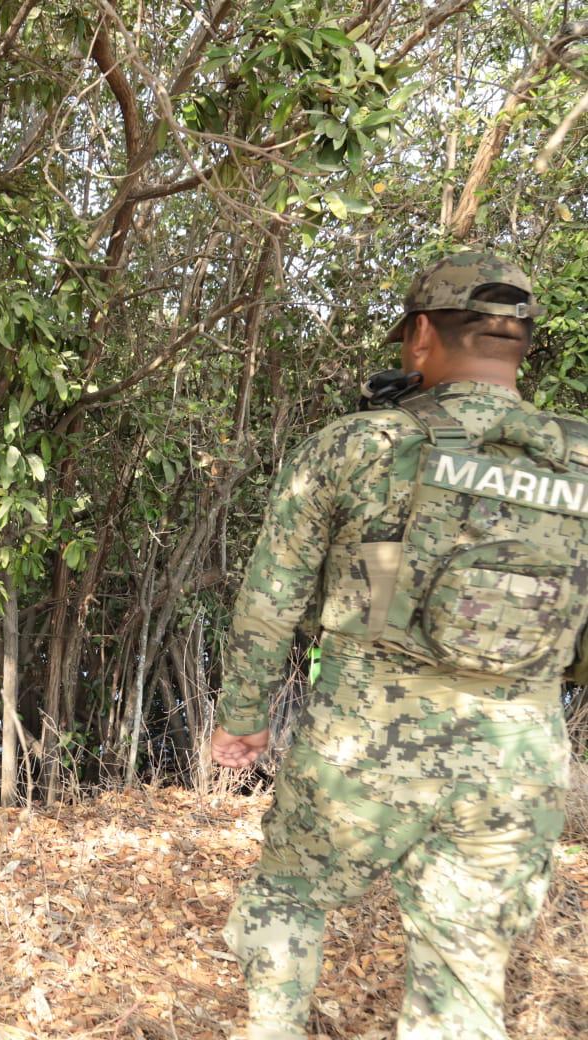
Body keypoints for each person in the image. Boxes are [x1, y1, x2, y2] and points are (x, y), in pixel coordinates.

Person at [214, 251, 585, 1040]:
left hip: (364, 743)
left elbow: (270, 600)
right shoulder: (580, 461)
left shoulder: (359, 444)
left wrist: (243, 715)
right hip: (517, 757)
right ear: (519, 344)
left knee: (288, 895)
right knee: (466, 965)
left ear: (421, 335)